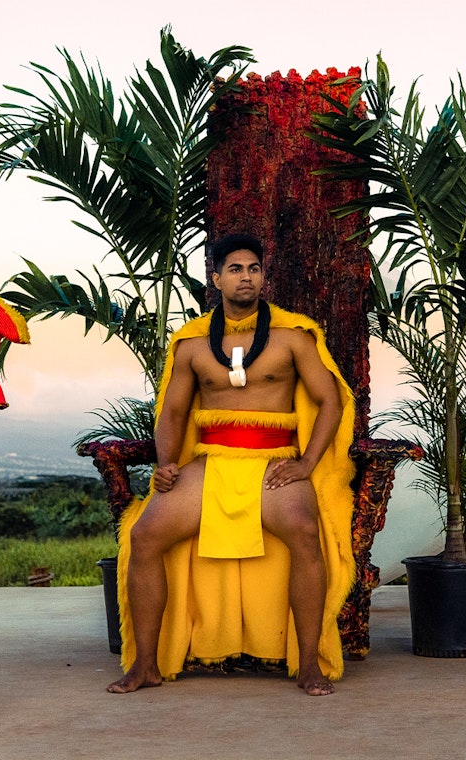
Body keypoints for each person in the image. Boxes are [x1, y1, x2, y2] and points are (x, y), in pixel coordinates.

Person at [106, 232, 356, 697]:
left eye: (254, 268)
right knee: (145, 535)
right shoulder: (194, 345)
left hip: (274, 461)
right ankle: (145, 665)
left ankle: (308, 664)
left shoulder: (292, 338)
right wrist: (164, 463)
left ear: (264, 276)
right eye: (236, 269)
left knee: (304, 531)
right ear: (216, 277)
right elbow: (173, 414)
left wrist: (306, 464)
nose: (246, 277)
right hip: (212, 462)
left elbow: (330, 403)